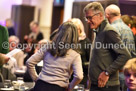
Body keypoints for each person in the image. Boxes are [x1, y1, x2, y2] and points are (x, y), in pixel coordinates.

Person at [83, 2, 131, 91]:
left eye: (90, 18)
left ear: (100, 15)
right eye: (86, 18)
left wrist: (107, 72)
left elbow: (125, 55)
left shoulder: (108, 31)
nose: (88, 21)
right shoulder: (98, 30)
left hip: (106, 87)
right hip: (97, 85)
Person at [26, 21, 83, 91]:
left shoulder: (47, 47)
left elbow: (29, 62)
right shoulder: (75, 55)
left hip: (40, 85)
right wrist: (70, 87)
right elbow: (79, 76)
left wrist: (36, 79)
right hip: (58, 88)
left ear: (58, 33)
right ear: (75, 36)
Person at [105, 4, 136, 91]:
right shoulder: (126, 29)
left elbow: (127, 55)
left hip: (118, 74)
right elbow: (131, 53)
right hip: (122, 74)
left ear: (107, 15)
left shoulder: (110, 29)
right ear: (120, 15)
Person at [69, 18, 91, 88]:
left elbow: (91, 61)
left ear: (80, 30)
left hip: (80, 76)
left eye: (76, 29)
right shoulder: (67, 41)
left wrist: (80, 64)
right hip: (67, 75)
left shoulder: (86, 42)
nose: (74, 32)